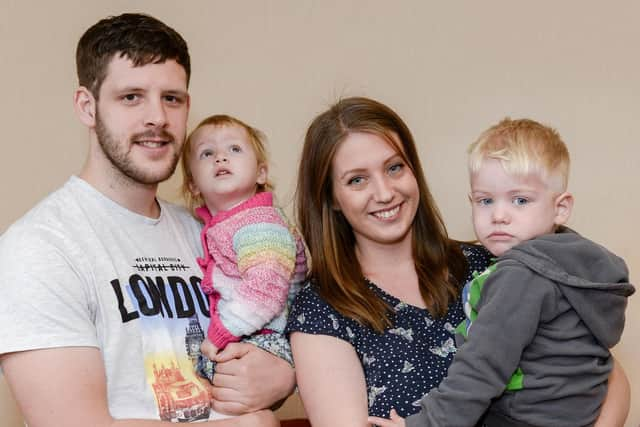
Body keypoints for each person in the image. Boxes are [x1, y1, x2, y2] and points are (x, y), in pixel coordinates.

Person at [0, 13, 293, 427]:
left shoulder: (207, 233)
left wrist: (283, 376)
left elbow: (272, 326)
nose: (157, 117)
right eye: (132, 97)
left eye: (171, 98)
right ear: (87, 106)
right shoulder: (40, 247)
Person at [285, 97, 631, 427]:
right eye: (357, 179)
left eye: (394, 168)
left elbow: (600, 374)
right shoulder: (322, 311)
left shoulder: (494, 265)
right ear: (331, 196)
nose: (385, 192)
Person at [179, 114, 307, 382]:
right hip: (251, 333)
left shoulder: (260, 224)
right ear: (193, 184)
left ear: (261, 172)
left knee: (209, 374)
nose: (221, 158)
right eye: (207, 153)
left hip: (266, 338)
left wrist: (220, 332)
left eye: (234, 149)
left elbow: (264, 290)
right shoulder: (227, 223)